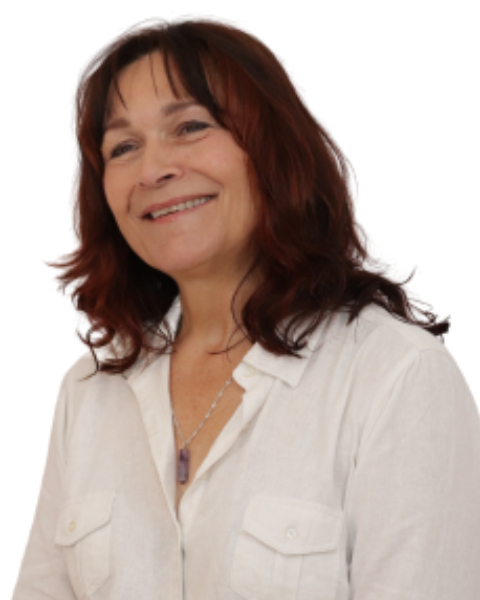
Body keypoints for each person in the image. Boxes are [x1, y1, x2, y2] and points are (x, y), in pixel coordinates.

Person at [12, 19, 480, 600]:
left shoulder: (395, 376)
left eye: (190, 126)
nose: (153, 170)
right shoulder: (89, 393)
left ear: (273, 148)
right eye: (123, 147)